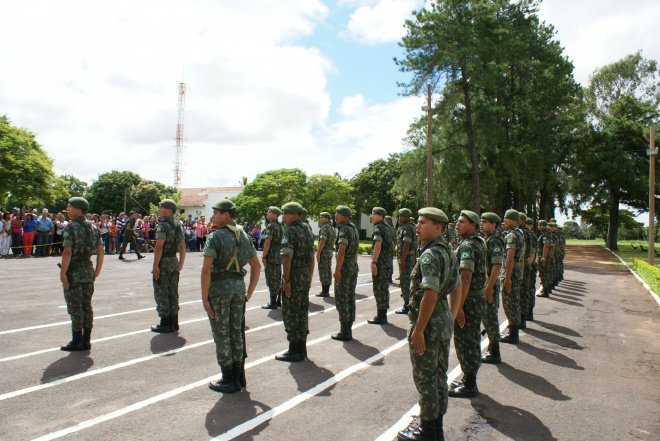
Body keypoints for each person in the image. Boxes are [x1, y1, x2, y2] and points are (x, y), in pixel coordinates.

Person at [398, 207, 462, 441]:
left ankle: (428, 431)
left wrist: (419, 330)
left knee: (425, 378)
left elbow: (430, 295)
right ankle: (435, 428)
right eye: (418, 222)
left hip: (429, 323)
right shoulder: (448, 251)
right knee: (438, 377)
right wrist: (451, 317)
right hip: (442, 321)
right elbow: (457, 287)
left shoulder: (430, 255)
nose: (417, 226)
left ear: (438, 227)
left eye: (423, 223)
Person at [202, 200, 260, 393]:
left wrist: (204, 299)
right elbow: (256, 266)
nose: (213, 217)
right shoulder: (244, 236)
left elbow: (206, 270)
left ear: (227, 215)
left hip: (219, 290)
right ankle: (238, 377)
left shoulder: (216, 236)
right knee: (236, 332)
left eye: (216, 213)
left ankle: (228, 379)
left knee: (222, 333)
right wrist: (249, 292)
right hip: (238, 289)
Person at [448, 210, 487, 398]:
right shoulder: (477, 242)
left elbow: (465, 278)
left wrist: (459, 306)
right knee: (471, 338)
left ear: (473, 226)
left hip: (468, 299)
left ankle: (470, 384)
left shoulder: (467, 247)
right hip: (474, 298)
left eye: (462, 222)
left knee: (465, 340)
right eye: (457, 221)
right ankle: (467, 378)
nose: (458, 224)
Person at [59, 197, 104, 351]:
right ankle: (86, 340)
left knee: (75, 307)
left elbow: (67, 252)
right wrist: (97, 269)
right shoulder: (94, 228)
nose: (67, 209)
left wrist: (63, 274)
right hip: (88, 270)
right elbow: (100, 250)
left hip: (74, 272)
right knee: (87, 305)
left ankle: (77, 340)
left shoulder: (70, 228)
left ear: (78, 210)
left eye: (70, 207)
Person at [275, 202, 315, 362]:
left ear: (294, 214)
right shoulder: (307, 230)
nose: (283, 216)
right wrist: (309, 277)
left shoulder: (290, 231)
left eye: (286, 213)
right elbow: (312, 257)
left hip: (294, 277)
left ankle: (293, 350)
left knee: (291, 312)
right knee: (302, 311)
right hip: (304, 276)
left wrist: (286, 280)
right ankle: (302, 349)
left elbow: (286, 256)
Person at [151, 199, 186, 333]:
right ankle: (174, 322)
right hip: (173, 261)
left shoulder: (163, 226)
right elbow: (182, 246)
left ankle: (165, 323)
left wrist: (155, 266)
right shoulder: (178, 225)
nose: (159, 210)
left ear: (169, 210)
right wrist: (181, 263)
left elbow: (159, 246)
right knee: (173, 292)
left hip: (164, 262)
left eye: (161, 207)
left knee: (162, 292)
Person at [479, 212, 504, 365]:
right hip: (488, 284)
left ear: (493, 225)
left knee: (490, 318)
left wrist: (489, 287)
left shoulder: (494, 241)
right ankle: (492, 349)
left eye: (485, 222)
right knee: (487, 317)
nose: (481, 224)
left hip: (490, 285)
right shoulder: (487, 239)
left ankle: (495, 353)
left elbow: (496, 265)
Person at [331, 205, 359, 341]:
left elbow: (341, 251)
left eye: (339, 213)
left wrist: (337, 271)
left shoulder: (344, 230)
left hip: (345, 266)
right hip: (352, 265)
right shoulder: (353, 229)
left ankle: (344, 331)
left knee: (342, 298)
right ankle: (348, 328)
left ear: (346, 217)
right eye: (335, 213)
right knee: (349, 298)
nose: (336, 215)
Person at [499, 210, 524, 344]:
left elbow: (509, 258)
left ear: (513, 220)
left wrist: (508, 278)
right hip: (517, 271)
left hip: (511, 272)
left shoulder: (511, 236)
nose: (505, 220)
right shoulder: (519, 234)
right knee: (514, 301)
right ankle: (513, 331)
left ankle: (513, 335)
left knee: (510, 303)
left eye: (506, 218)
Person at [368, 207, 395, 325]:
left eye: (374, 214)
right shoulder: (388, 227)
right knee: (384, 288)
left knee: (379, 288)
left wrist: (374, 262)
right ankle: (382, 314)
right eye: (372, 214)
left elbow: (377, 245)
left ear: (381, 216)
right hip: (387, 262)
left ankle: (381, 316)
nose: (372, 216)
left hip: (380, 263)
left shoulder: (378, 228)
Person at [261, 207, 284, 310]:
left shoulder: (270, 226)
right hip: (278, 256)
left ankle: (273, 302)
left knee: (271, 279)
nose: (267, 213)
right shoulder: (280, 226)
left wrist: (264, 256)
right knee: (277, 278)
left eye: (270, 212)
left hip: (271, 257)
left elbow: (267, 242)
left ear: (275, 215)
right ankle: (278, 300)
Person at [396, 208, 417, 314]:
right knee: (407, 281)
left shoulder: (407, 227)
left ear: (407, 217)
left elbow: (406, 244)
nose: (399, 217)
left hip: (407, 258)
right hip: (408, 257)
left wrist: (403, 260)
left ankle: (407, 305)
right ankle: (409, 303)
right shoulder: (407, 226)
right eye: (399, 215)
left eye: (401, 216)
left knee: (405, 282)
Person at [316, 211, 335, 297]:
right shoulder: (331, 227)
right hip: (329, 251)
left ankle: (325, 291)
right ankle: (326, 289)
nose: (320, 219)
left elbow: (322, 240)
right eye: (320, 217)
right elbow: (333, 241)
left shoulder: (324, 227)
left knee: (323, 270)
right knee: (327, 269)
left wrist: (318, 253)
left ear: (327, 218)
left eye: (322, 217)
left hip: (324, 251)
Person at [522, 216, 537, 321]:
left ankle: (528, 312)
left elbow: (532, 253)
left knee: (528, 289)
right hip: (526, 266)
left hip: (528, 266)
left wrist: (527, 266)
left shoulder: (530, 236)